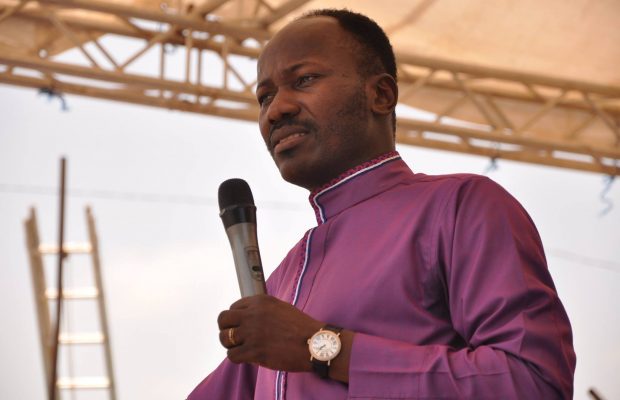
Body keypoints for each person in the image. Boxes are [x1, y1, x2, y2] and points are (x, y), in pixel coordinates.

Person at [188, 9, 575, 400]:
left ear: (381, 95)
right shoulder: (283, 280)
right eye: (265, 97)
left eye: (304, 80)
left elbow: (532, 382)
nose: (276, 110)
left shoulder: (461, 207)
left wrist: (321, 347)